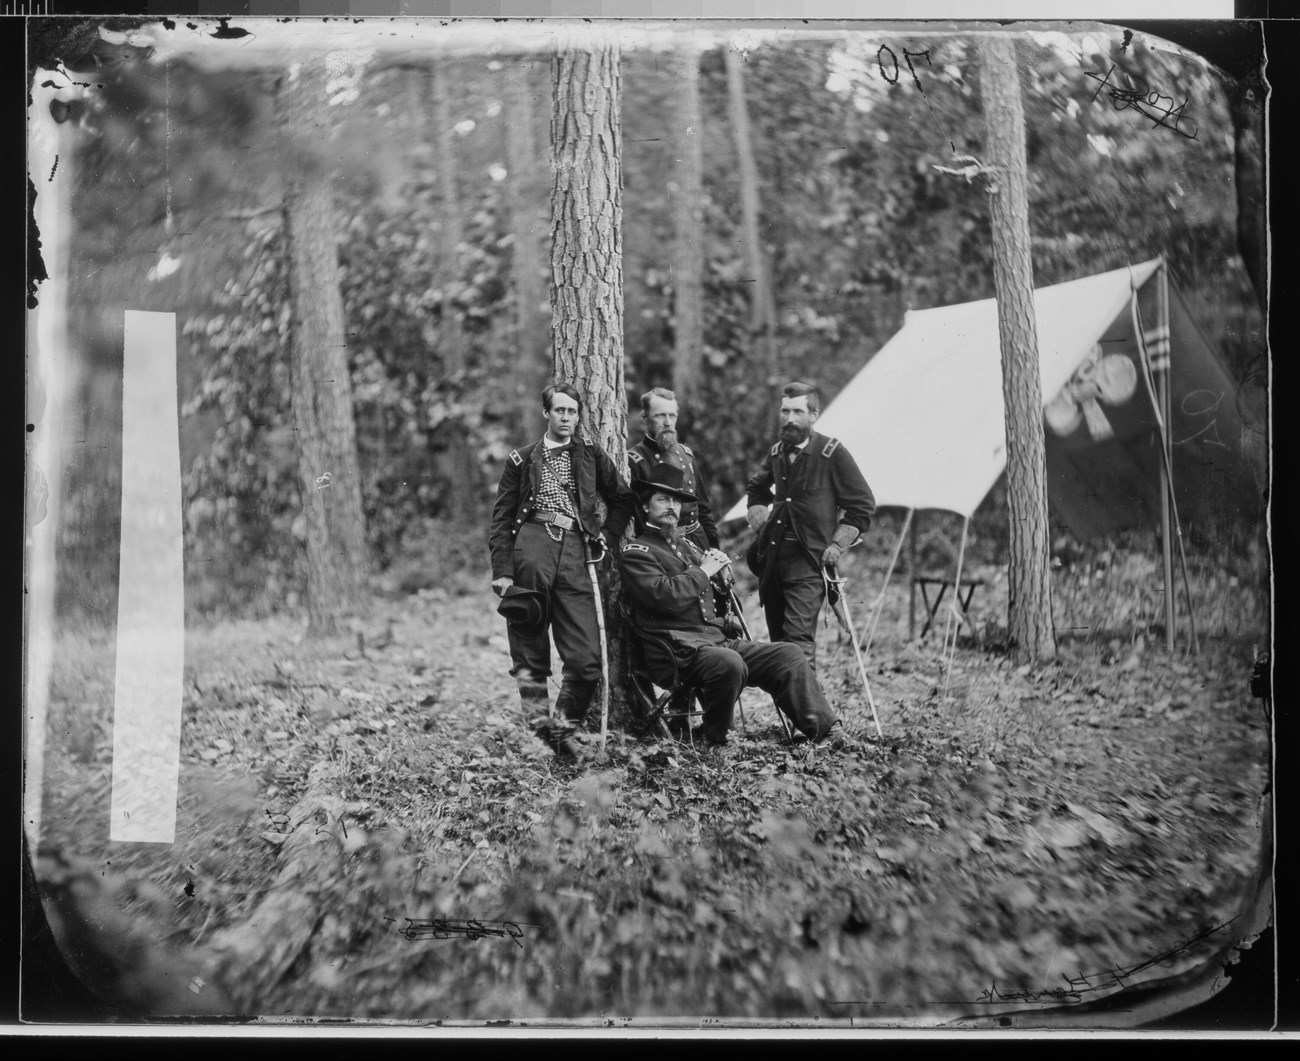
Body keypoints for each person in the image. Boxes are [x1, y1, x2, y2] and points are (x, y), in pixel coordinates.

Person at [620, 462, 841, 747]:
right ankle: (712, 739)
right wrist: (704, 572)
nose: (672, 506)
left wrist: (721, 582)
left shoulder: (689, 547)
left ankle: (827, 733)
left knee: (789, 654)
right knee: (729, 663)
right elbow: (666, 597)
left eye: (676, 500)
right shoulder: (637, 552)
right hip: (675, 653)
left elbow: (708, 602)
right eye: (663, 499)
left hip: (713, 643)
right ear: (646, 506)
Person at [489, 382, 636, 758]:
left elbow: (623, 499)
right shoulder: (521, 460)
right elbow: (502, 519)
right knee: (529, 649)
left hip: (577, 554)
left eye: (572, 412)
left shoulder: (590, 454)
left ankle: (564, 728)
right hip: (532, 547)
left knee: (587, 658)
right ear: (546, 414)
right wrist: (504, 570)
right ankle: (544, 735)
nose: (566, 418)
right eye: (560, 411)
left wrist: (604, 534)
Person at [745, 381, 875, 670]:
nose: (790, 418)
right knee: (778, 644)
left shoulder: (832, 452)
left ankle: (809, 716)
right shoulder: (777, 452)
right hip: (773, 560)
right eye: (785, 411)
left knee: (798, 642)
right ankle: (791, 710)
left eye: (798, 412)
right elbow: (757, 489)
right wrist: (759, 519)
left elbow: (862, 504)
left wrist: (838, 545)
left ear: (814, 415)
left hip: (809, 562)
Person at [627, 387, 719, 552]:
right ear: (644, 417)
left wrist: (714, 547)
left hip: (697, 540)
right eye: (660, 415)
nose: (668, 422)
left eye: (672, 415)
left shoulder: (686, 454)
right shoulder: (635, 459)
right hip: (661, 544)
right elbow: (639, 518)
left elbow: (703, 508)